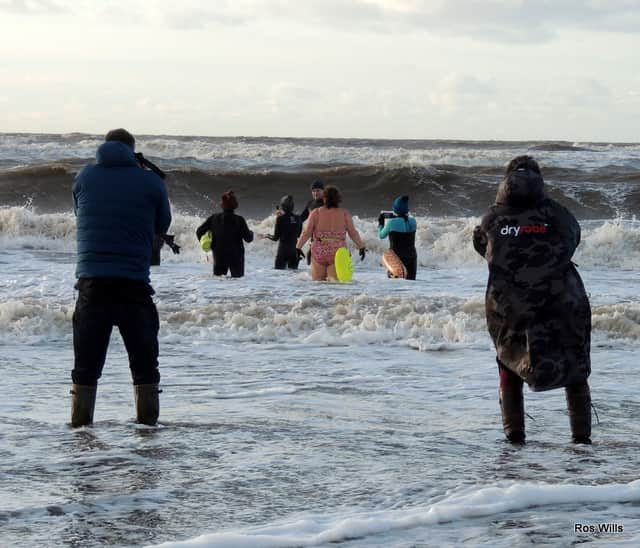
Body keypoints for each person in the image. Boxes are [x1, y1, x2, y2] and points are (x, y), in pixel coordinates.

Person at [473, 155, 592, 444]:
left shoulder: (491, 218)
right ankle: (581, 441)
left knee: (509, 363)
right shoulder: (557, 213)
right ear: (540, 181)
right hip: (562, 300)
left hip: (507, 304)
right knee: (575, 369)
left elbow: (482, 247)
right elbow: (573, 239)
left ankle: (514, 439)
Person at [71, 128, 172, 427]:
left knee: (85, 368)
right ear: (133, 151)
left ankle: (79, 435)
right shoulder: (151, 181)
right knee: (144, 367)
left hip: (92, 285)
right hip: (133, 286)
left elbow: (81, 213)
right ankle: (147, 435)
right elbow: (161, 224)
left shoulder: (84, 177)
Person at [296, 185, 366, 281]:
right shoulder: (344, 213)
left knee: (318, 284)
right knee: (334, 286)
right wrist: (361, 246)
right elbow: (353, 233)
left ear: (324, 198)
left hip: (319, 251)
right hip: (337, 253)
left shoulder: (316, 213)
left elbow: (306, 233)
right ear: (338, 198)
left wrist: (298, 248)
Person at [196, 190, 254, 277]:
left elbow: (199, 231)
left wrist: (207, 245)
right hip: (236, 256)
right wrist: (251, 233)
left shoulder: (214, 218)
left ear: (222, 205)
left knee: (219, 283)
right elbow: (248, 239)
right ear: (235, 205)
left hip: (219, 254)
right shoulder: (239, 220)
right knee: (238, 283)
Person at [378, 195, 418, 280]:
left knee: (395, 285)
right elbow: (404, 222)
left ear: (395, 209)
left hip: (396, 257)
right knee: (411, 283)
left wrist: (380, 223)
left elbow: (381, 235)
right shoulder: (413, 221)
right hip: (412, 256)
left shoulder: (391, 222)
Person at [262, 195, 303, 269]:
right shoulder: (298, 218)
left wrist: (267, 235)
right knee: (293, 276)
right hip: (294, 252)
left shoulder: (280, 219)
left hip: (282, 252)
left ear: (282, 207)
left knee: (278, 276)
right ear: (293, 206)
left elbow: (275, 238)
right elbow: (298, 234)